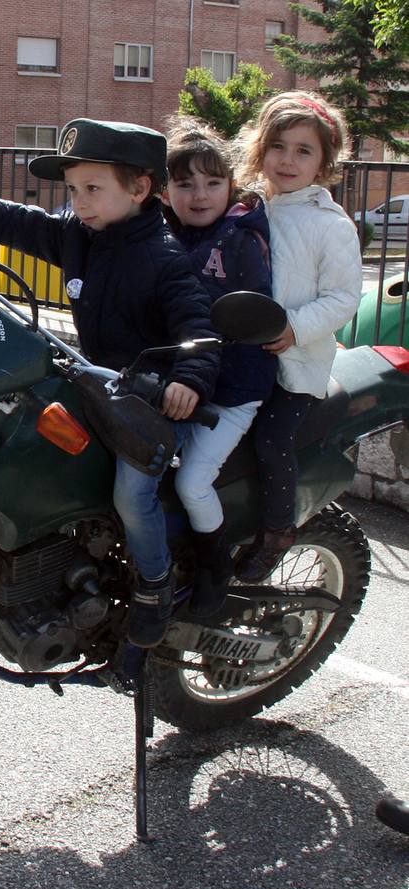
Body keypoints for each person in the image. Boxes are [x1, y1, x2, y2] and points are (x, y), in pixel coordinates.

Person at [0, 118, 219, 647]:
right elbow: (19, 222)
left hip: (147, 405)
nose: (79, 202)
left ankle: (154, 584)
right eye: (73, 190)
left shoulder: (165, 260)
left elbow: (199, 329)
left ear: (140, 189)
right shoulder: (81, 234)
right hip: (96, 385)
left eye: (93, 189)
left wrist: (187, 380)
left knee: (131, 494)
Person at [229, 92, 362, 582]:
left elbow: (343, 297)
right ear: (260, 149)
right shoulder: (246, 206)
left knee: (271, 438)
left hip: (296, 365)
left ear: (324, 162)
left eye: (303, 150)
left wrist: (294, 329)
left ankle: (277, 530)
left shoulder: (330, 225)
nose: (287, 160)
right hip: (241, 355)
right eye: (278, 146)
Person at [160, 120, 275, 615]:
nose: (200, 194)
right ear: (164, 192)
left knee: (191, 482)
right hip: (176, 385)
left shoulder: (240, 242)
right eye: (185, 183)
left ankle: (214, 564)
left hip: (231, 392)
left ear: (231, 186)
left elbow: (251, 312)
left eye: (212, 182)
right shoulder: (165, 237)